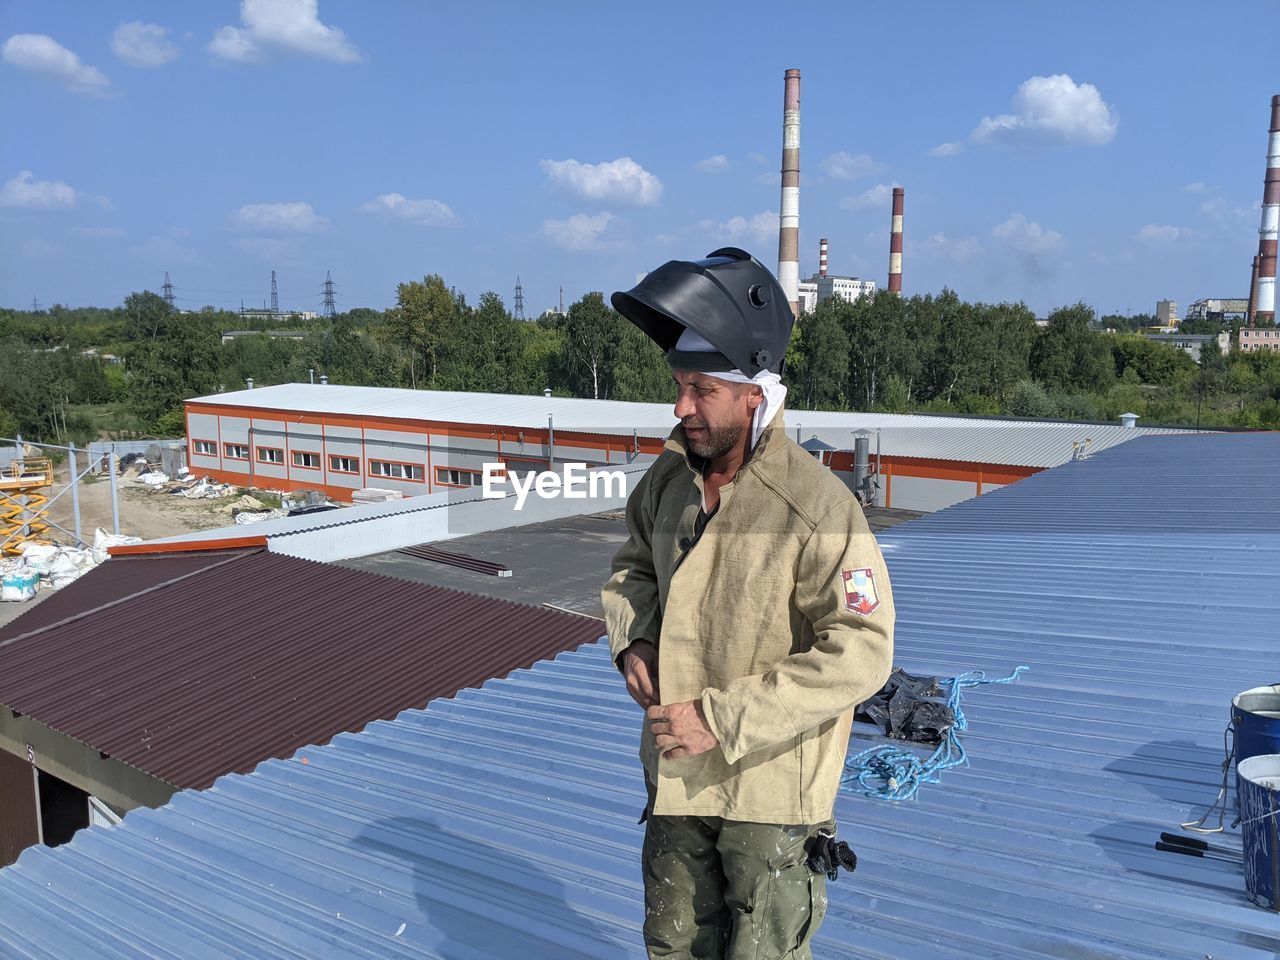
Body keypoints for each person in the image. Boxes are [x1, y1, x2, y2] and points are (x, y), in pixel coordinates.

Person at [601, 248, 895, 960]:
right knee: (673, 946)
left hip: (769, 793)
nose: (680, 407)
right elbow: (631, 566)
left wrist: (720, 718)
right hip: (677, 777)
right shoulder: (670, 481)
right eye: (678, 385)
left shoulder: (815, 505)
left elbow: (862, 649)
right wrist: (633, 638)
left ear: (753, 396)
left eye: (701, 390)